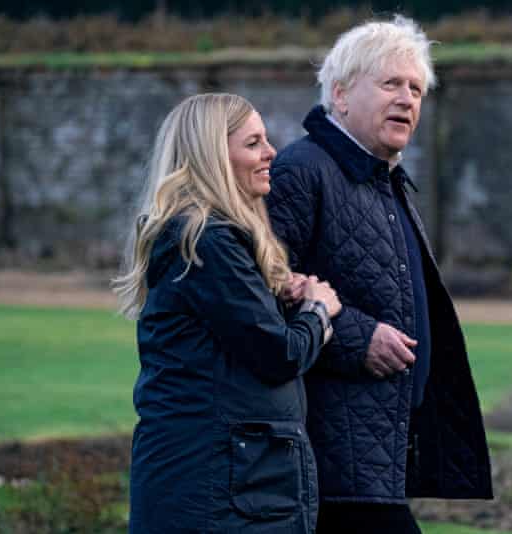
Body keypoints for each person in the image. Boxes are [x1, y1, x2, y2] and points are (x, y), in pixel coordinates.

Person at [266, 15, 493, 534]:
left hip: (375, 450)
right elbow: (264, 288)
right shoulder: (303, 169)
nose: (408, 99)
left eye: (416, 89)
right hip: (329, 451)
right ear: (340, 96)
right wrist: (356, 337)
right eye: (391, 83)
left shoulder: (385, 181)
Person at [113, 93, 341, 533]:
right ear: (213, 155)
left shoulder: (205, 237)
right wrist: (318, 310)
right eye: (253, 143)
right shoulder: (206, 239)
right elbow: (279, 355)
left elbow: (232, 333)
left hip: (226, 479)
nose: (271, 152)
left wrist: (276, 298)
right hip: (216, 486)